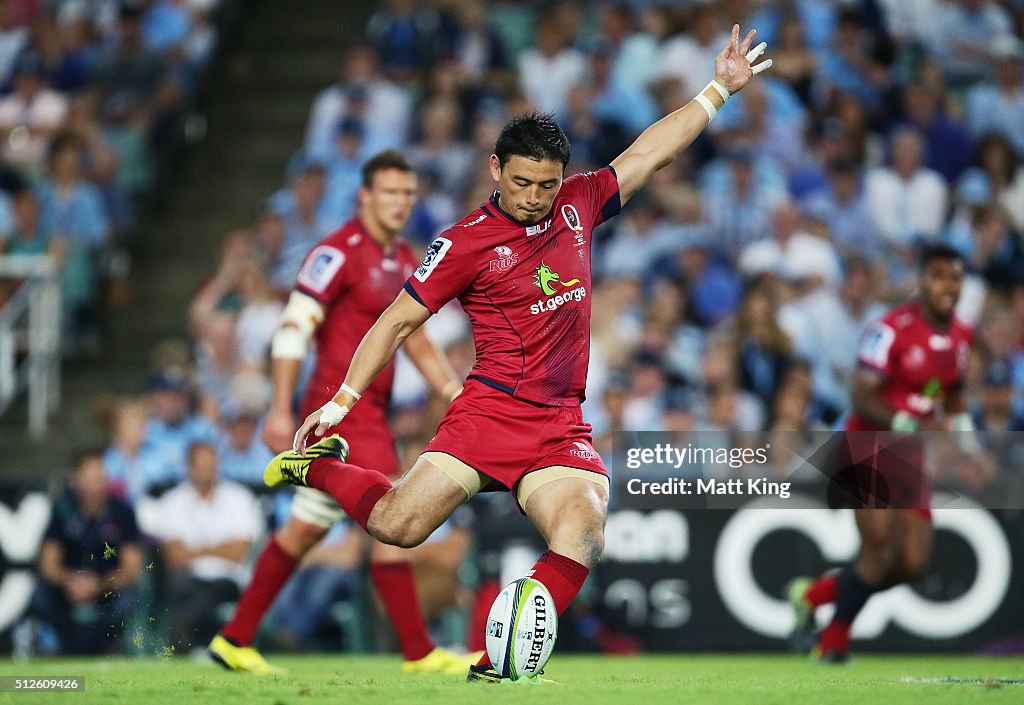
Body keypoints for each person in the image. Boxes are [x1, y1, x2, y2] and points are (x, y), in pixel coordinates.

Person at [265, 26, 772, 684]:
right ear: (496, 169)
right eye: (524, 181)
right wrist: (341, 399)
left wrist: (717, 91)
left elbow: (650, 153)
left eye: (548, 183)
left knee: (585, 532)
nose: (536, 197)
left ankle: (496, 664)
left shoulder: (579, 205)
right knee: (397, 526)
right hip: (486, 417)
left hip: (558, 424)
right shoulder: (465, 243)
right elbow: (395, 320)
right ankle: (320, 468)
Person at [209, 150, 470, 675]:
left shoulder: (401, 260)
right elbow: (294, 327)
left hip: (371, 411)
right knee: (395, 514)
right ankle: (418, 652)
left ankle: (234, 639)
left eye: (408, 193)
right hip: (338, 413)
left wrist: (448, 385)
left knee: (306, 527)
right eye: (390, 192)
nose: (400, 202)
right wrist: (280, 408)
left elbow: (408, 333)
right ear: (364, 196)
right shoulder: (336, 252)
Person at [788, 244, 975, 662]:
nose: (949, 286)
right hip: (868, 448)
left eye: (956, 277)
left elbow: (956, 392)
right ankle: (833, 642)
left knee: (911, 563)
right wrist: (910, 422)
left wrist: (968, 441)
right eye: (940, 276)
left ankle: (814, 595)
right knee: (880, 550)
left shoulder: (962, 335)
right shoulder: (888, 329)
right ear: (923, 282)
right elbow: (862, 396)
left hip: (911, 459)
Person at [156, 441, 264, 652]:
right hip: (185, 579)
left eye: (211, 462)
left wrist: (195, 549)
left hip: (227, 580)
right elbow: (174, 557)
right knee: (181, 585)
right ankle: (202, 643)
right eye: (201, 464)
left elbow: (239, 552)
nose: (208, 469)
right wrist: (219, 547)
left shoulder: (240, 498)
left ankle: (189, 639)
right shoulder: (172, 501)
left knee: (205, 591)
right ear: (189, 467)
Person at [34, 449, 142, 654]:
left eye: (100, 478)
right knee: (40, 594)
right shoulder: (62, 510)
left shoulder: (123, 512)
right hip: (67, 589)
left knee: (130, 596)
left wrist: (99, 584)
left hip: (108, 588)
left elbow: (131, 568)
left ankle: (111, 647)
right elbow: (48, 564)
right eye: (90, 479)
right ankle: (56, 646)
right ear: (76, 480)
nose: (96, 486)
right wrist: (70, 581)